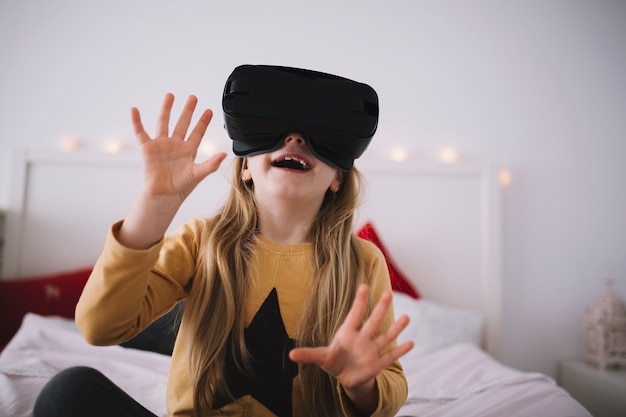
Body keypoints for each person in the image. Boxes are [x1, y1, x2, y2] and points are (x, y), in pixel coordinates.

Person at [34, 69, 413, 417]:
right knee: (68, 392)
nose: (295, 139)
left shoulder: (361, 261)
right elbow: (99, 327)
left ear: (337, 179)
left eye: (317, 139)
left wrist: (362, 383)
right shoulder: (201, 242)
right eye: (276, 132)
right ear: (246, 167)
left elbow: (389, 386)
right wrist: (153, 204)